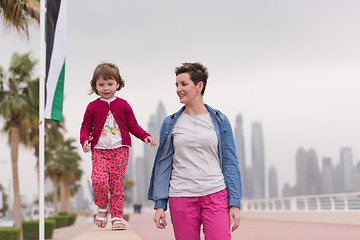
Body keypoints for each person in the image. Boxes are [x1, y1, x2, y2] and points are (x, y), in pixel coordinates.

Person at [148, 62, 242, 240]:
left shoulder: (220, 121)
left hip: (215, 193)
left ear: (200, 86)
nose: (178, 89)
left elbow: (230, 162)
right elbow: (164, 164)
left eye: (184, 84)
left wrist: (235, 203)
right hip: (181, 195)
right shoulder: (171, 123)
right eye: (176, 85)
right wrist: (160, 204)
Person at [80, 63, 156, 231]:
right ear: (95, 86)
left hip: (120, 151)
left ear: (118, 84)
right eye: (101, 84)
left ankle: (116, 216)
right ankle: (101, 208)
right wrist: (84, 140)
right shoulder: (92, 106)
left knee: (117, 185)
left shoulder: (123, 105)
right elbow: (85, 126)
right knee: (99, 181)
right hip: (99, 151)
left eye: (110, 84)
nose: (106, 88)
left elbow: (132, 125)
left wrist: (145, 136)